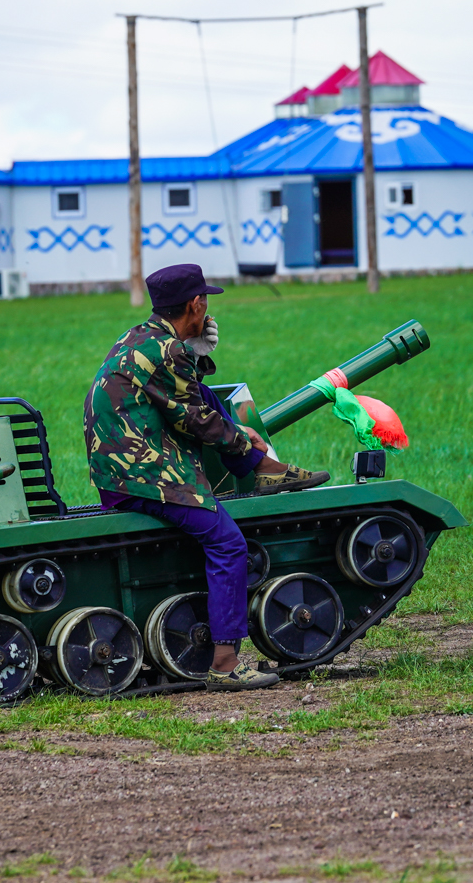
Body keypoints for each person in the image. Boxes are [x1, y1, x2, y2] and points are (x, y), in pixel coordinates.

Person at [83, 262, 329, 690]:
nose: (208, 308)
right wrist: (243, 440)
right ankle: (225, 662)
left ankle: (260, 471)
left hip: (118, 473)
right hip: (143, 476)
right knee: (229, 543)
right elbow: (194, 420)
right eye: (206, 301)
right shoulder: (169, 350)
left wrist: (196, 356)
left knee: (211, 396)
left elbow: (187, 395)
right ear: (195, 304)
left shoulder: (138, 338)